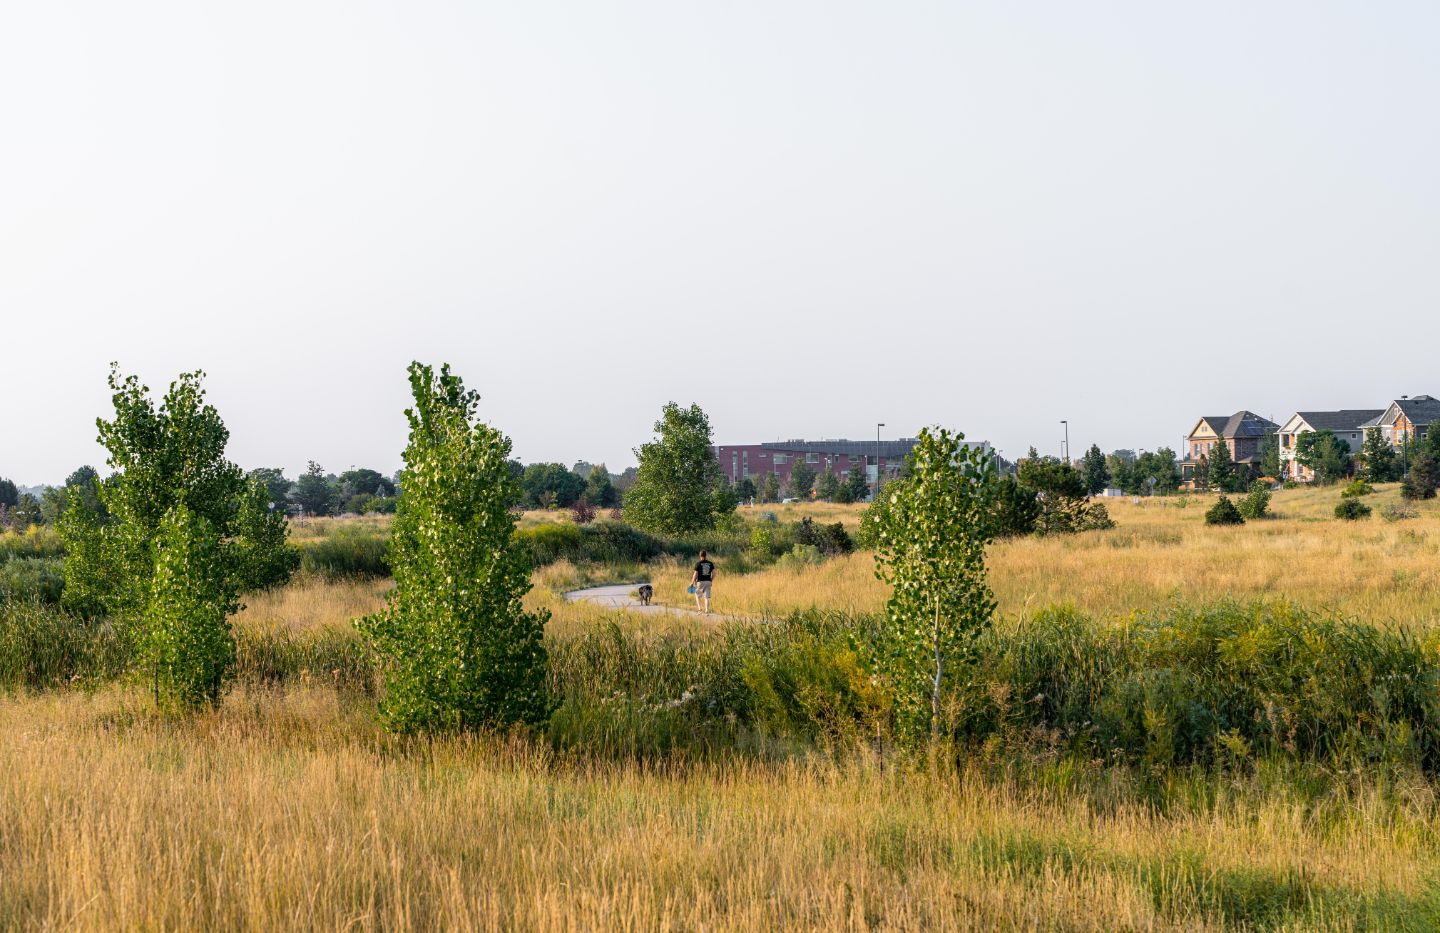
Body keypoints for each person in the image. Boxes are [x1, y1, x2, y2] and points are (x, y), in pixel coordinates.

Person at [690, 549, 715, 614]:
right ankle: (706, 610)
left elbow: (695, 574)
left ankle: (700, 609)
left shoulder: (698, 564)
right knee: (707, 597)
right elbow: (714, 573)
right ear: (706, 555)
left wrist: (692, 583)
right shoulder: (710, 563)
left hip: (700, 582)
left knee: (697, 595)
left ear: (700, 555)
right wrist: (711, 580)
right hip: (708, 582)